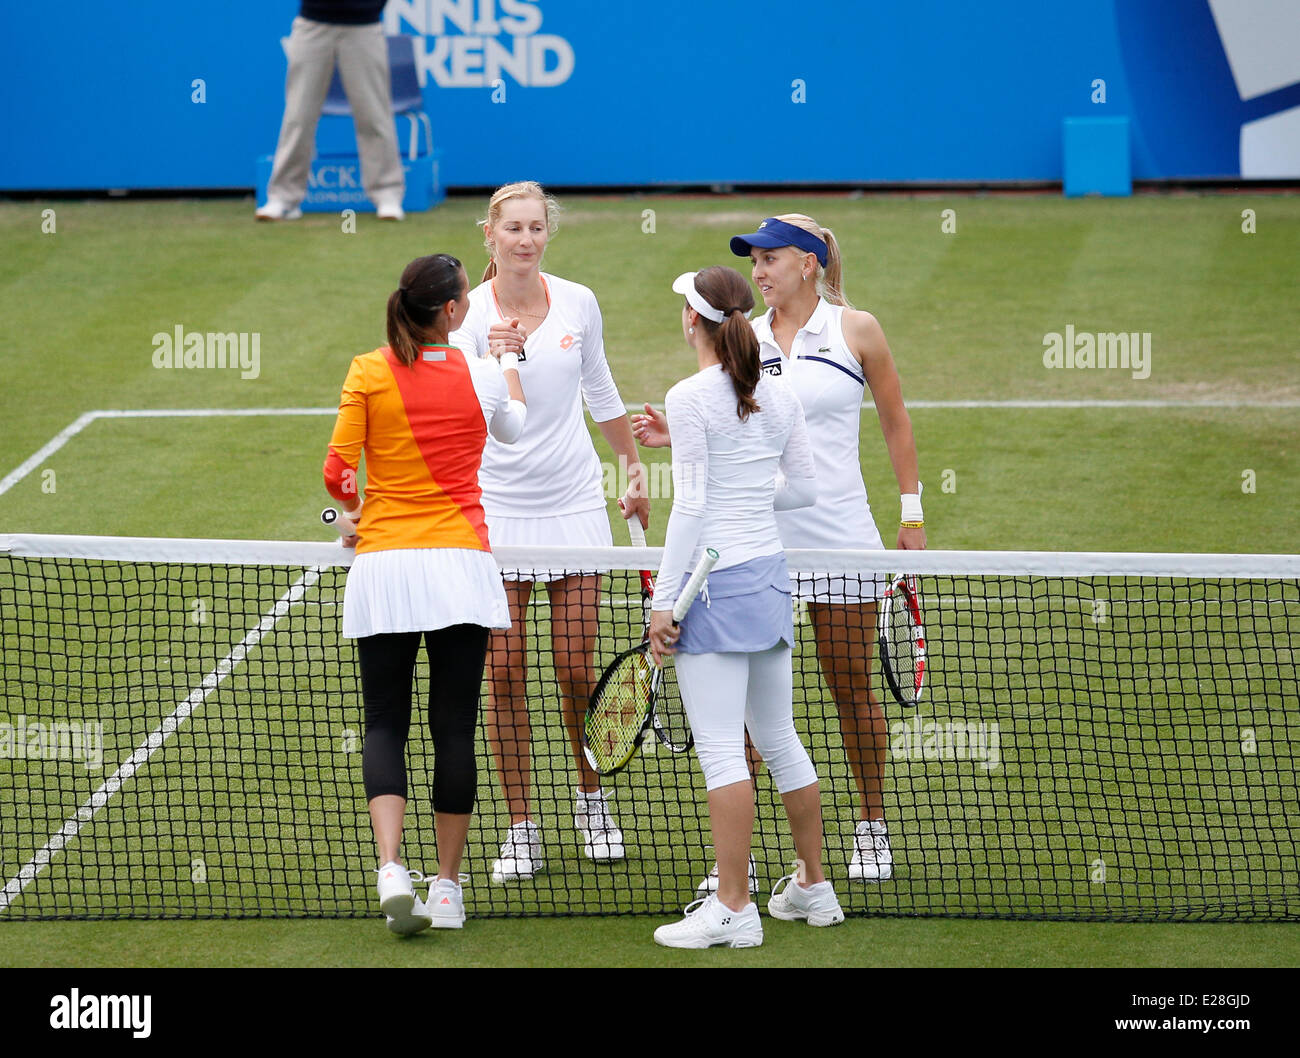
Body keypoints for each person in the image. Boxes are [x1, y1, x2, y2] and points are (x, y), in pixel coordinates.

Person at [633, 214, 925, 885]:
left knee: (849, 687)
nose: (759, 271)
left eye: (770, 259)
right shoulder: (745, 338)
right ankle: (743, 860)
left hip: (841, 537)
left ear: (809, 264)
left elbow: (895, 416)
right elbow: (736, 430)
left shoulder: (858, 331)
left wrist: (911, 510)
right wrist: (677, 437)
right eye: (753, 262)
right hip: (752, 549)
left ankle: (872, 826)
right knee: (742, 711)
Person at [448, 181, 650, 882]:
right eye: (514, 229)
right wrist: (486, 358)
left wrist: (630, 465)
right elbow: (456, 407)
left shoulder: (579, 302)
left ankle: (591, 802)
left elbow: (601, 388)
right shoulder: (467, 317)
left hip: (573, 505)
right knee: (502, 672)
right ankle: (521, 827)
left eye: (537, 228)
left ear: (547, 234)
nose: (526, 240)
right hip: (495, 512)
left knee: (573, 666)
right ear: (491, 236)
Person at [323, 253, 527, 935]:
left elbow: (336, 473)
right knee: (453, 729)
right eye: (467, 295)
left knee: (384, 721)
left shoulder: (366, 370)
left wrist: (353, 513)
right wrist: (511, 365)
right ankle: (445, 888)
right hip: (459, 567)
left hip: (384, 568)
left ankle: (389, 866)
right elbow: (514, 428)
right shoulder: (480, 375)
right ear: (450, 312)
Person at [649, 266, 843, 949]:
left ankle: (733, 907)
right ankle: (813, 887)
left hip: (713, 585)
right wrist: (751, 494)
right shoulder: (777, 392)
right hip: (766, 579)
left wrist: (663, 603)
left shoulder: (688, 397)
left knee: (726, 753)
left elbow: (693, 507)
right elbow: (804, 491)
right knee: (780, 737)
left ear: (692, 321)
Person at [258, 1, 405, 222]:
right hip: (312, 24)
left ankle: (387, 194)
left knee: (374, 116)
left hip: (365, 26)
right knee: (298, 116)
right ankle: (283, 198)